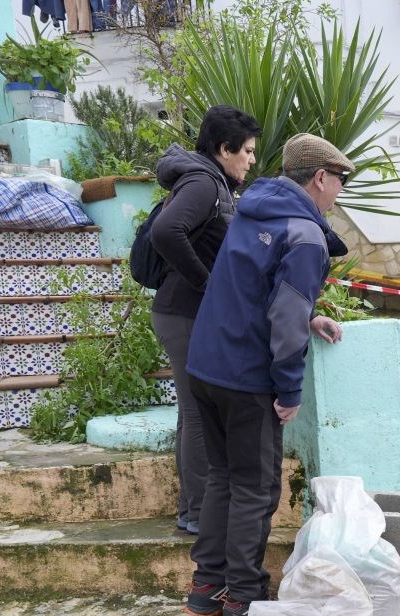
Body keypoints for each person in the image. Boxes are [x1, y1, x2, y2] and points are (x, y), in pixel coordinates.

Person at [183, 133, 350, 616]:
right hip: (246, 378)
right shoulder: (306, 234)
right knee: (255, 489)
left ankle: (206, 588)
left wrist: (309, 319)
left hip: (205, 366)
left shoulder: (251, 210)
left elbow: (253, 288)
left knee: (221, 478)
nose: (340, 190)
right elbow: (284, 311)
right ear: (320, 177)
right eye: (341, 180)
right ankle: (243, 598)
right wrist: (290, 389)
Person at [150, 105, 262, 537]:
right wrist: (208, 284)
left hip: (183, 313)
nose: (251, 159)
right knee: (198, 413)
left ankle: (192, 507)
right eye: (247, 151)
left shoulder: (210, 181)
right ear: (224, 148)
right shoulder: (202, 182)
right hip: (184, 315)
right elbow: (165, 232)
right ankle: (196, 513)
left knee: (191, 412)